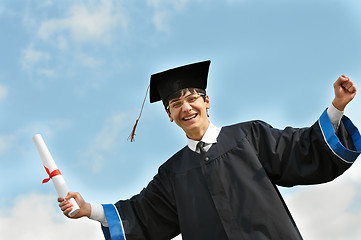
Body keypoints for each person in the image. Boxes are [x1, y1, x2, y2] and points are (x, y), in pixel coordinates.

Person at [59, 60, 360, 240]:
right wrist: (89, 210)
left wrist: (336, 108)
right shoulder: (172, 174)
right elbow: (142, 213)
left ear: (207, 101)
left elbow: (301, 149)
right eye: (175, 104)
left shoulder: (249, 136)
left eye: (192, 99)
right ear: (169, 115)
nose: (185, 108)